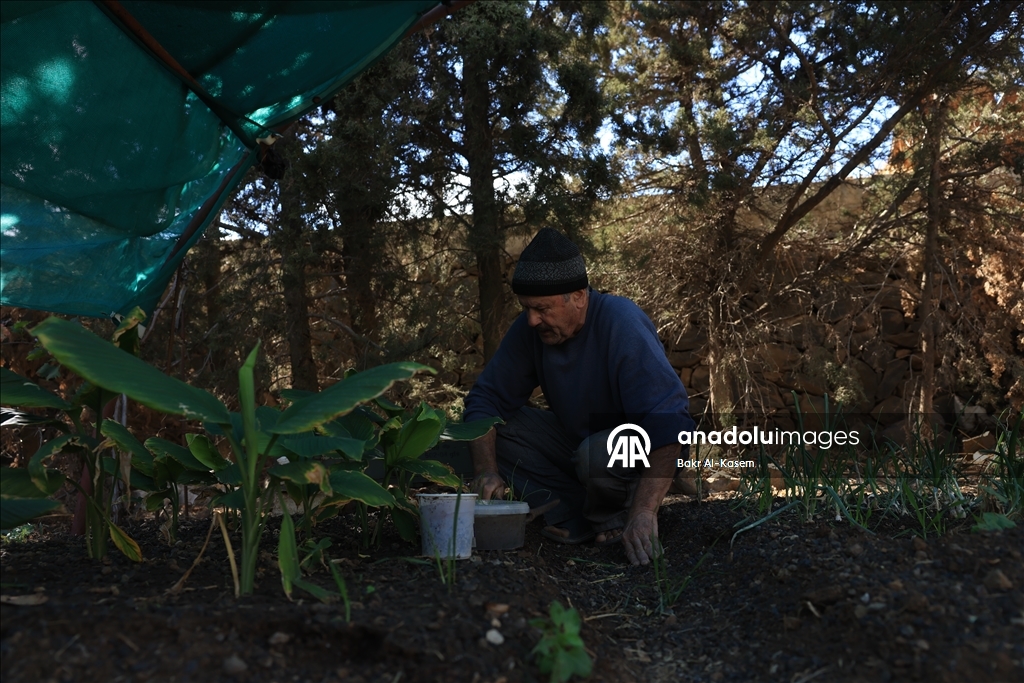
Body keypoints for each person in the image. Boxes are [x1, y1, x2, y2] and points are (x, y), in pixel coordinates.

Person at [464, 228, 694, 566]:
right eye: (526, 308)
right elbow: (485, 400)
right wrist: (486, 470)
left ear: (579, 296)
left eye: (542, 308)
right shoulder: (531, 330)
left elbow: (670, 423)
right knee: (492, 430)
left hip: (632, 458)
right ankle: (575, 512)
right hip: (579, 449)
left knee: (596, 454)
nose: (532, 319)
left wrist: (645, 511)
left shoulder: (621, 322)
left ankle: (618, 517)